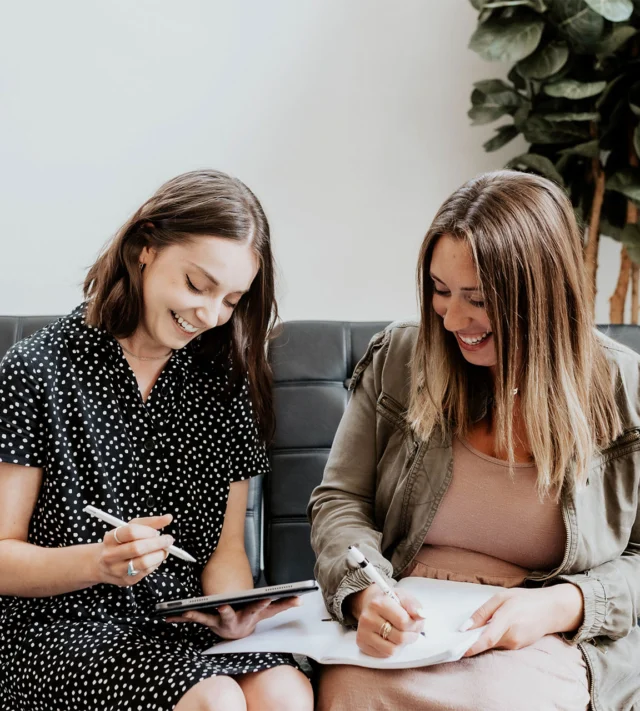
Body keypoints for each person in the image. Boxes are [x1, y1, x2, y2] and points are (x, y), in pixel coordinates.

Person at [308, 170, 640, 711]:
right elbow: (340, 500)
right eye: (440, 291)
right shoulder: (399, 358)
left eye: (479, 299)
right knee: (349, 692)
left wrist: (563, 605)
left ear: (542, 294)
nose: (453, 318)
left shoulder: (625, 388)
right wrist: (364, 591)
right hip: (403, 621)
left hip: (540, 632)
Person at [0, 170, 314, 711]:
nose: (210, 315)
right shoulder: (36, 370)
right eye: (198, 284)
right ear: (145, 247)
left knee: (285, 691)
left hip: (178, 625)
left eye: (231, 300)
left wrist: (231, 612)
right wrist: (96, 563)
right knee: (215, 700)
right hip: (58, 626)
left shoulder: (222, 385)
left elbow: (225, 554)